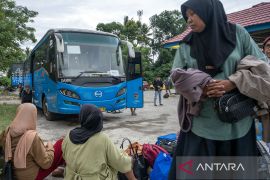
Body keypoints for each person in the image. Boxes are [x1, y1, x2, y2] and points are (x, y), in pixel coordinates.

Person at [169, 0, 267, 179]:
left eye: (193, 14)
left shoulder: (238, 34)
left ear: (208, 12)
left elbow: (263, 67)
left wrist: (233, 82)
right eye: (187, 15)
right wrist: (201, 89)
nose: (188, 20)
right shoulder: (187, 44)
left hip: (238, 123)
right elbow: (175, 78)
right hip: (201, 126)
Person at [62, 104, 137, 180]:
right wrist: (130, 159)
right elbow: (120, 162)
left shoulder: (69, 136)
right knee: (119, 163)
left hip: (70, 177)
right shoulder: (102, 138)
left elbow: (65, 157)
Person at [0, 103, 64, 180]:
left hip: (11, 173)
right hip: (31, 177)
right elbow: (46, 163)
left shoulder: (6, 131)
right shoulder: (32, 137)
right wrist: (50, 147)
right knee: (61, 143)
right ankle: (65, 171)